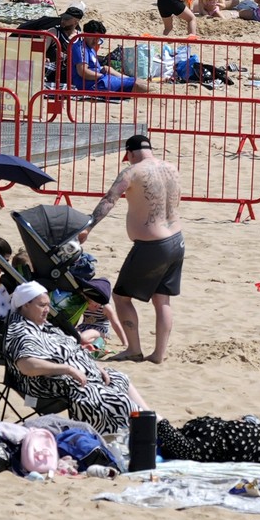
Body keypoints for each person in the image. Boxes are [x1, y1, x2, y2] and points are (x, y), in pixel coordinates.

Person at [74, 133, 183, 363]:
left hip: (152, 245)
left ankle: (133, 349)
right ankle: (159, 354)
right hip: (177, 240)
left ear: (131, 153)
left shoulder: (132, 172)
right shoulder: (171, 168)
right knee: (162, 299)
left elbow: (109, 200)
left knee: (121, 297)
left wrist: (88, 227)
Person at [3, 280, 147, 437]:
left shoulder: (44, 325)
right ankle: (143, 433)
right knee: (113, 400)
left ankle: (154, 423)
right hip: (50, 386)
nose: (47, 310)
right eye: (42, 305)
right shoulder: (20, 330)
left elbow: (74, 348)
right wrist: (69, 369)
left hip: (80, 376)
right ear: (25, 305)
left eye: (48, 305)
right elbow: (28, 366)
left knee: (118, 378)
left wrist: (96, 367)